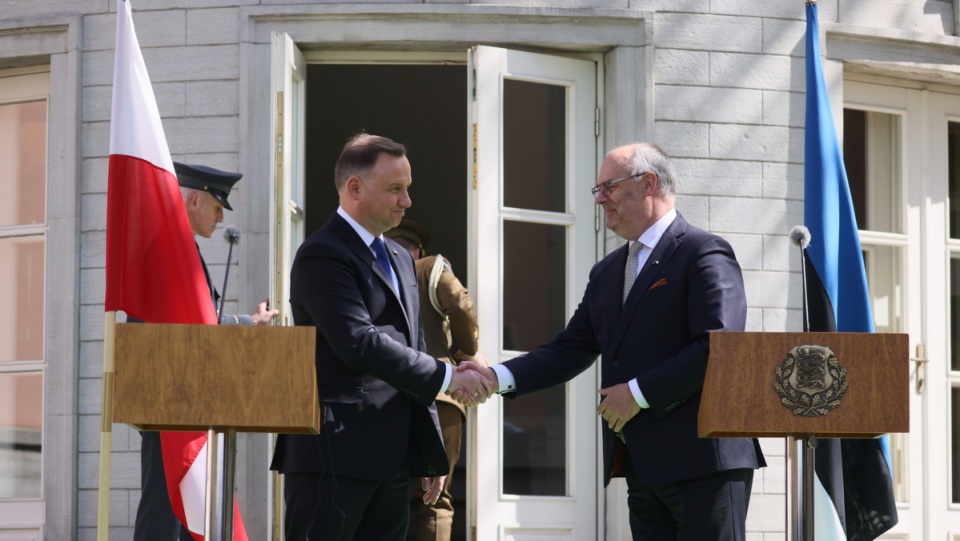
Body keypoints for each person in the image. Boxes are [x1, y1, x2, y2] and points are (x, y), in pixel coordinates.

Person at [455, 143, 766, 540]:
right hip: (643, 468)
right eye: (597, 189)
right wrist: (496, 376)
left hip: (705, 464)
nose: (600, 198)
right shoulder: (607, 272)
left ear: (648, 183)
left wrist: (637, 394)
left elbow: (718, 349)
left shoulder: (702, 251)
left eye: (609, 186)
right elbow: (570, 349)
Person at [269, 133, 492, 541]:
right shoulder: (322, 253)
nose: (406, 201)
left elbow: (413, 351)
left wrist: (429, 454)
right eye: (395, 189)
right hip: (332, 456)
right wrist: (448, 376)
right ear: (354, 188)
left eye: (407, 188)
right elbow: (358, 341)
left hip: (391, 464)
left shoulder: (401, 260)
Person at [134, 162, 278, 541]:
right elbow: (159, 327)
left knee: (187, 504)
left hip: (188, 395)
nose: (220, 217)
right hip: (169, 396)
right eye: (217, 206)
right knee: (164, 505)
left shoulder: (183, 250)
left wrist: (248, 323)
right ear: (193, 199)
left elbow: (198, 322)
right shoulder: (167, 249)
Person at [386, 219, 482, 541]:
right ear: (418, 250)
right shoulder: (430, 267)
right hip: (439, 395)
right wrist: (465, 352)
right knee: (434, 500)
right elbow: (460, 305)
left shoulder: (373, 273)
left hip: (386, 397)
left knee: (387, 496)